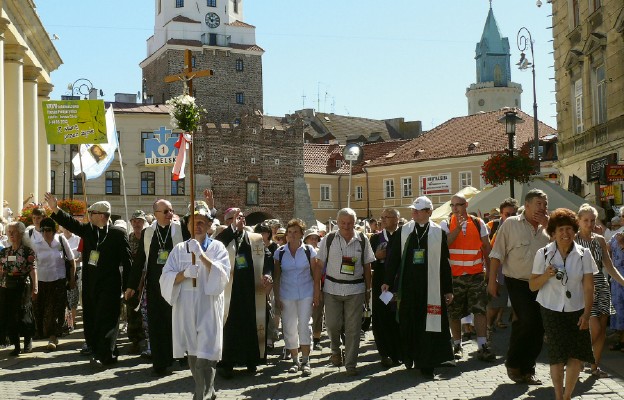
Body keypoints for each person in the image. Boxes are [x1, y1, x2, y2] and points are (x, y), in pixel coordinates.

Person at [45, 192, 133, 369]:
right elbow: (70, 223)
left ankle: (104, 354)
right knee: (92, 318)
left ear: (101, 215)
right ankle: (99, 349)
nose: (88, 216)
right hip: (91, 285)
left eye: (91, 214)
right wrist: (55, 209)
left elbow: (127, 261)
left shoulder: (117, 234)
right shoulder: (88, 231)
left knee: (107, 319)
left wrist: (129, 286)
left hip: (110, 285)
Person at [160, 205, 230, 400]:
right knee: (193, 353)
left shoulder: (217, 248)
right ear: (188, 226)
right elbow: (165, 276)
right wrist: (183, 274)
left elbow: (223, 275)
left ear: (208, 225)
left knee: (206, 354)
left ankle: (203, 395)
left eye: (201, 223)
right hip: (186, 307)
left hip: (208, 305)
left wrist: (202, 257)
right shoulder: (179, 249)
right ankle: (206, 389)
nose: (197, 226)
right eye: (193, 223)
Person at [382, 197, 454, 379]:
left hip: (431, 289)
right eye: (413, 210)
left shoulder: (438, 232)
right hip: (409, 287)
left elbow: (445, 264)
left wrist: (448, 289)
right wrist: (388, 280)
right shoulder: (404, 231)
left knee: (428, 325)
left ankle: (427, 363)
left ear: (429, 212)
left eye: (418, 210)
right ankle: (410, 357)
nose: (413, 213)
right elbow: (393, 259)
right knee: (409, 322)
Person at [529, 208, 596, 400]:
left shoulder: (584, 254)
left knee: (576, 354)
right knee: (557, 354)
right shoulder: (543, 254)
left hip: (577, 308)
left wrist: (587, 313)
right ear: (553, 232)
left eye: (568, 229)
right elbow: (533, 286)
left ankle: (567, 396)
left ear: (574, 230)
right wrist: (546, 275)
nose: (565, 233)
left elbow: (589, 287)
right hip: (551, 308)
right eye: (560, 229)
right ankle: (559, 396)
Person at [488, 189, 550, 385]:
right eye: (538, 204)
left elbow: (563, 248)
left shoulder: (550, 226)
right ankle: (514, 363)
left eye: (544, 204)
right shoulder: (510, 224)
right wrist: (492, 280)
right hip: (517, 281)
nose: (542, 208)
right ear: (528, 205)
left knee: (538, 326)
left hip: (543, 282)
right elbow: (497, 254)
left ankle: (527, 368)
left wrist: (549, 226)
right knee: (527, 320)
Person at [124, 199, 185, 377]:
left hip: (176, 283)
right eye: (165, 211)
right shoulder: (148, 232)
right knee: (157, 324)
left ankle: (176, 357)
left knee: (174, 322)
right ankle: (159, 361)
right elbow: (139, 261)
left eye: (171, 211)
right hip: (155, 286)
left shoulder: (180, 229)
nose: (169, 214)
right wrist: (131, 285)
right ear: (156, 213)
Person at [313, 208, 375, 376]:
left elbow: (368, 266)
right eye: (343, 223)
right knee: (332, 325)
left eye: (350, 223)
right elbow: (319, 264)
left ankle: (351, 364)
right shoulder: (329, 238)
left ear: (355, 223)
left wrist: (368, 289)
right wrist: (317, 290)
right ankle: (335, 350)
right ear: (337, 222)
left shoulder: (362, 239)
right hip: (332, 289)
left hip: (355, 289)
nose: (346, 226)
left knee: (353, 328)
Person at [215, 208, 274, 378]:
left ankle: (251, 360)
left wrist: (267, 274)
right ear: (227, 221)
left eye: (241, 217)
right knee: (229, 327)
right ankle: (227, 363)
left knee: (250, 325)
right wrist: (232, 229)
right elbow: (215, 251)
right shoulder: (222, 237)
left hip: (250, 290)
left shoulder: (254, 238)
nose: (240, 219)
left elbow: (267, 258)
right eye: (234, 217)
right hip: (229, 291)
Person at [440, 193, 493, 362]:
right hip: (454, 276)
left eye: (459, 205)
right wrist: (457, 228)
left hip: (476, 274)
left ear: (466, 205)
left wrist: (491, 273)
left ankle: (483, 345)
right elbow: (445, 244)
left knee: (480, 310)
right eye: (453, 205)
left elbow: (486, 248)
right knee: (454, 312)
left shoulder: (478, 223)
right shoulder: (446, 223)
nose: (455, 208)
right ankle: (457, 344)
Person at [575, 204, 624, 377]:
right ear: (578, 221)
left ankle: (594, 366)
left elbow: (608, 266)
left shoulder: (599, 239)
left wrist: (623, 282)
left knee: (602, 329)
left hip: (600, 284)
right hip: (582, 287)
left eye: (592, 220)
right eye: (585, 220)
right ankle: (579, 359)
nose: (589, 223)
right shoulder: (573, 239)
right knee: (593, 327)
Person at [273, 219, 317, 376]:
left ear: (301, 234)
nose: (291, 235)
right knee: (289, 327)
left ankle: (306, 360)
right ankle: (295, 360)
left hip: (306, 292)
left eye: (295, 232)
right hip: (287, 293)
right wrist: (277, 297)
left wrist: (317, 294)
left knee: (304, 325)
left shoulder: (309, 250)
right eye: (289, 232)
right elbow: (277, 276)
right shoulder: (280, 252)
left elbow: (315, 273)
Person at [31, 217, 75, 351]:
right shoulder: (36, 244)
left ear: (54, 231)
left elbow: (72, 260)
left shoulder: (61, 241)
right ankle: (43, 332)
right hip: (42, 281)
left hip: (59, 281)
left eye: (48, 230)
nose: (45, 233)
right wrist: (34, 285)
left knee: (57, 309)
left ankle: (54, 336)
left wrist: (72, 279)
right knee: (42, 310)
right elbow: (33, 264)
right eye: (43, 230)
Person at [370, 208, 401, 367]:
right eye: (381, 217)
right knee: (381, 317)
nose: (382, 220)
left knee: (397, 317)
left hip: (399, 281)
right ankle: (384, 353)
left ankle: (398, 352)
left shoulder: (403, 236)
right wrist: (377, 257)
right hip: (381, 281)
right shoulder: (375, 238)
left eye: (387, 217)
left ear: (396, 219)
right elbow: (368, 262)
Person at [0, 222, 37, 356]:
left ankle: (27, 341)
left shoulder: (28, 251)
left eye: (14, 231)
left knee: (23, 315)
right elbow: (1, 270)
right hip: (7, 287)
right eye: (9, 231)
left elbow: (33, 270)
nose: (11, 234)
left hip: (23, 286)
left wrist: (35, 288)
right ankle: (16, 345)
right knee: (10, 316)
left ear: (21, 233)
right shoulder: (5, 251)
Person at [486, 198, 519, 337]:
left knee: (519, 306)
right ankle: (487, 327)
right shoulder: (494, 227)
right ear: (501, 214)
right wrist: (490, 276)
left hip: (517, 274)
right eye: (507, 214)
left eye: (513, 214)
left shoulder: (522, 227)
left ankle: (518, 335)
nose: (510, 217)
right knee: (495, 305)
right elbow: (489, 252)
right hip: (500, 274)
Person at [125, 210, 148, 355]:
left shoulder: (148, 238)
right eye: (134, 221)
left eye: (139, 221)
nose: (137, 223)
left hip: (146, 279)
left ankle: (146, 340)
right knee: (132, 311)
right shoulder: (128, 239)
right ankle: (134, 340)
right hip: (132, 279)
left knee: (145, 313)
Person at [304, 227, 324, 351]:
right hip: (305, 286)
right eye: (311, 238)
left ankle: (316, 339)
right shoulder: (302, 251)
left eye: (316, 238)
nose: (314, 240)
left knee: (317, 313)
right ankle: (304, 339)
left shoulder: (321, 252)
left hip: (320, 286)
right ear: (306, 239)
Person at [60, 226, 81, 333]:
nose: (67, 229)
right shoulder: (59, 238)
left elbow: (82, 255)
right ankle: (66, 321)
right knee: (64, 297)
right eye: (64, 227)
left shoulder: (77, 238)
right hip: (62, 270)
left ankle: (72, 320)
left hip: (76, 269)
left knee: (73, 295)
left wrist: (74, 260)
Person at [610, 231, 624, 351]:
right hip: (616, 276)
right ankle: (620, 340)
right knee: (618, 309)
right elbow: (606, 249)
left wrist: (623, 245)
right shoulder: (616, 235)